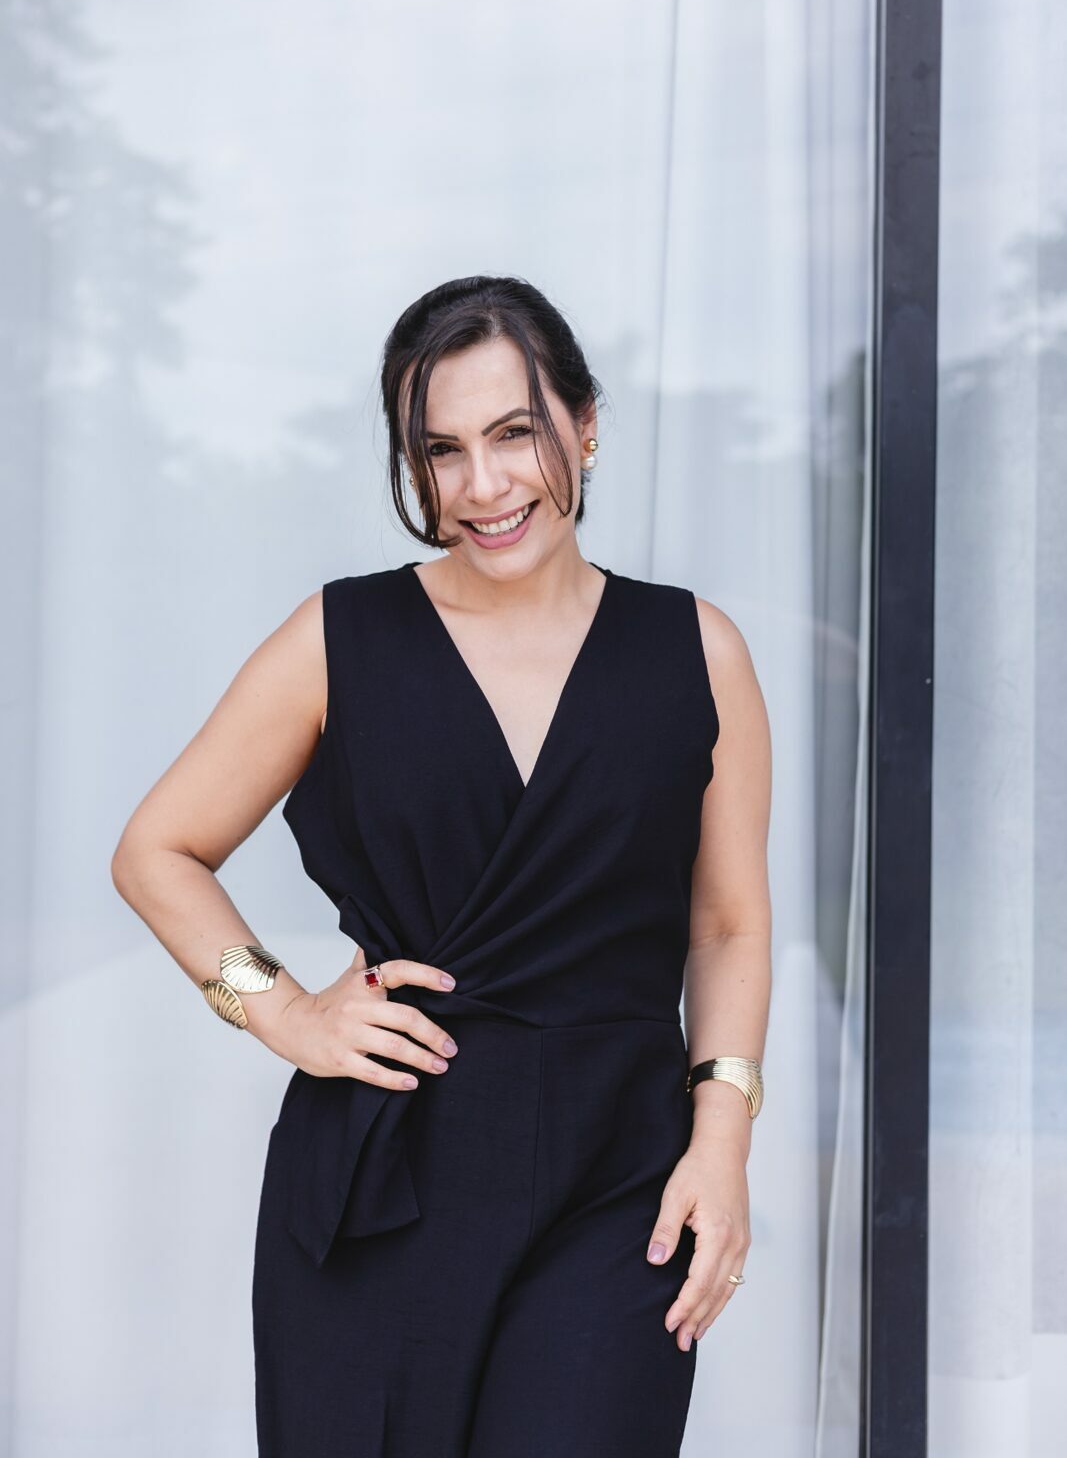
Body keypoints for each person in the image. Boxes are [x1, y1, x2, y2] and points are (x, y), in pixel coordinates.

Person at [111, 274, 773, 1457]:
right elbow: (157, 848)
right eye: (441, 450)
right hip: (384, 1180)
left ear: (583, 424)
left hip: (617, 1178)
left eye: (513, 433)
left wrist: (719, 1141)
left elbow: (725, 924)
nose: (482, 485)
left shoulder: (696, 650)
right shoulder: (338, 639)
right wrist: (281, 1010)